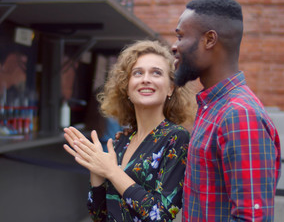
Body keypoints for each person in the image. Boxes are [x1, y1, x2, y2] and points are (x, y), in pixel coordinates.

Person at [172, 0, 281, 221]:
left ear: (209, 39)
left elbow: (252, 218)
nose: (175, 46)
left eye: (181, 36)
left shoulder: (240, 115)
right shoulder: (213, 106)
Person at [63, 40, 196, 221]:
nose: (145, 79)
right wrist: (96, 170)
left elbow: (160, 216)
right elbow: (99, 215)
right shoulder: (122, 140)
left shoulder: (176, 137)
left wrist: (112, 171)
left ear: (170, 88)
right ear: (127, 87)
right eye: (138, 73)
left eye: (156, 73)